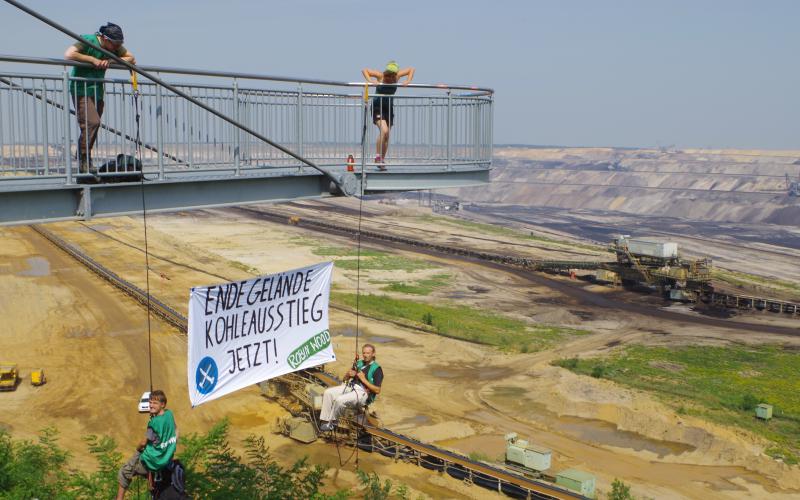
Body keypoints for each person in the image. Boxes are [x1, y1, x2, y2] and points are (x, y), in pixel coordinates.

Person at [64, 23, 136, 173]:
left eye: (119, 44)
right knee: (92, 122)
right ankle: (84, 159)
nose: (117, 48)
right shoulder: (89, 40)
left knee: (93, 126)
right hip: (81, 88)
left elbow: (131, 58)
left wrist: (111, 61)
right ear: (104, 38)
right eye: (115, 44)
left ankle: (84, 157)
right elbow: (69, 54)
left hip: (97, 90)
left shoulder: (114, 48)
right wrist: (92, 60)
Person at [116, 390, 178, 500]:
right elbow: (176, 430)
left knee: (124, 472)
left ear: (162, 404)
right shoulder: (169, 414)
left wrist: (138, 448)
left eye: (155, 403)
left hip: (152, 461)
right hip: (166, 458)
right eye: (150, 402)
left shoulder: (153, 423)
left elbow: (143, 442)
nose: (151, 405)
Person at [361, 61, 415, 170]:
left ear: (395, 74)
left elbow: (411, 69)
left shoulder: (397, 76)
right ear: (385, 73)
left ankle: (381, 161)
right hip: (378, 106)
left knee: (387, 136)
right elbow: (365, 70)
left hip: (388, 108)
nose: (390, 77)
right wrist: (371, 81)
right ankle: (377, 157)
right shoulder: (380, 76)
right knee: (384, 131)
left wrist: (408, 81)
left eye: (392, 75)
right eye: (388, 75)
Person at [319, 344, 383, 431]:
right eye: (364, 353)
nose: (365, 355)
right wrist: (348, 374)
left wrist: (363, 380)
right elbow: (344, 379)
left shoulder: (377, 369)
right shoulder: (359, 363)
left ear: (373, 354)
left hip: (363, 393)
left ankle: (333, 422)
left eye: (368, 353)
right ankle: (325, 420)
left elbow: (377, 390)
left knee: (339, 400)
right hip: (350, 387)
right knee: (328, 393)